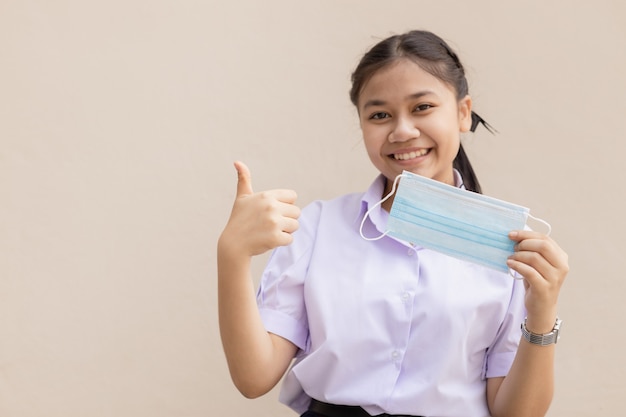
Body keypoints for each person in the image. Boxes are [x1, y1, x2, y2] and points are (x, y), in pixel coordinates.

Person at [217, 30, 568, 417]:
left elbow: (517, 414)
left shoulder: (509, 251)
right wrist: (232, 254)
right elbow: (253, 378)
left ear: (463, 113)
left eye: (422, 107)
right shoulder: (317, 229)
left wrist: (542, 314)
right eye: (379, 114)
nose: (402, 131)